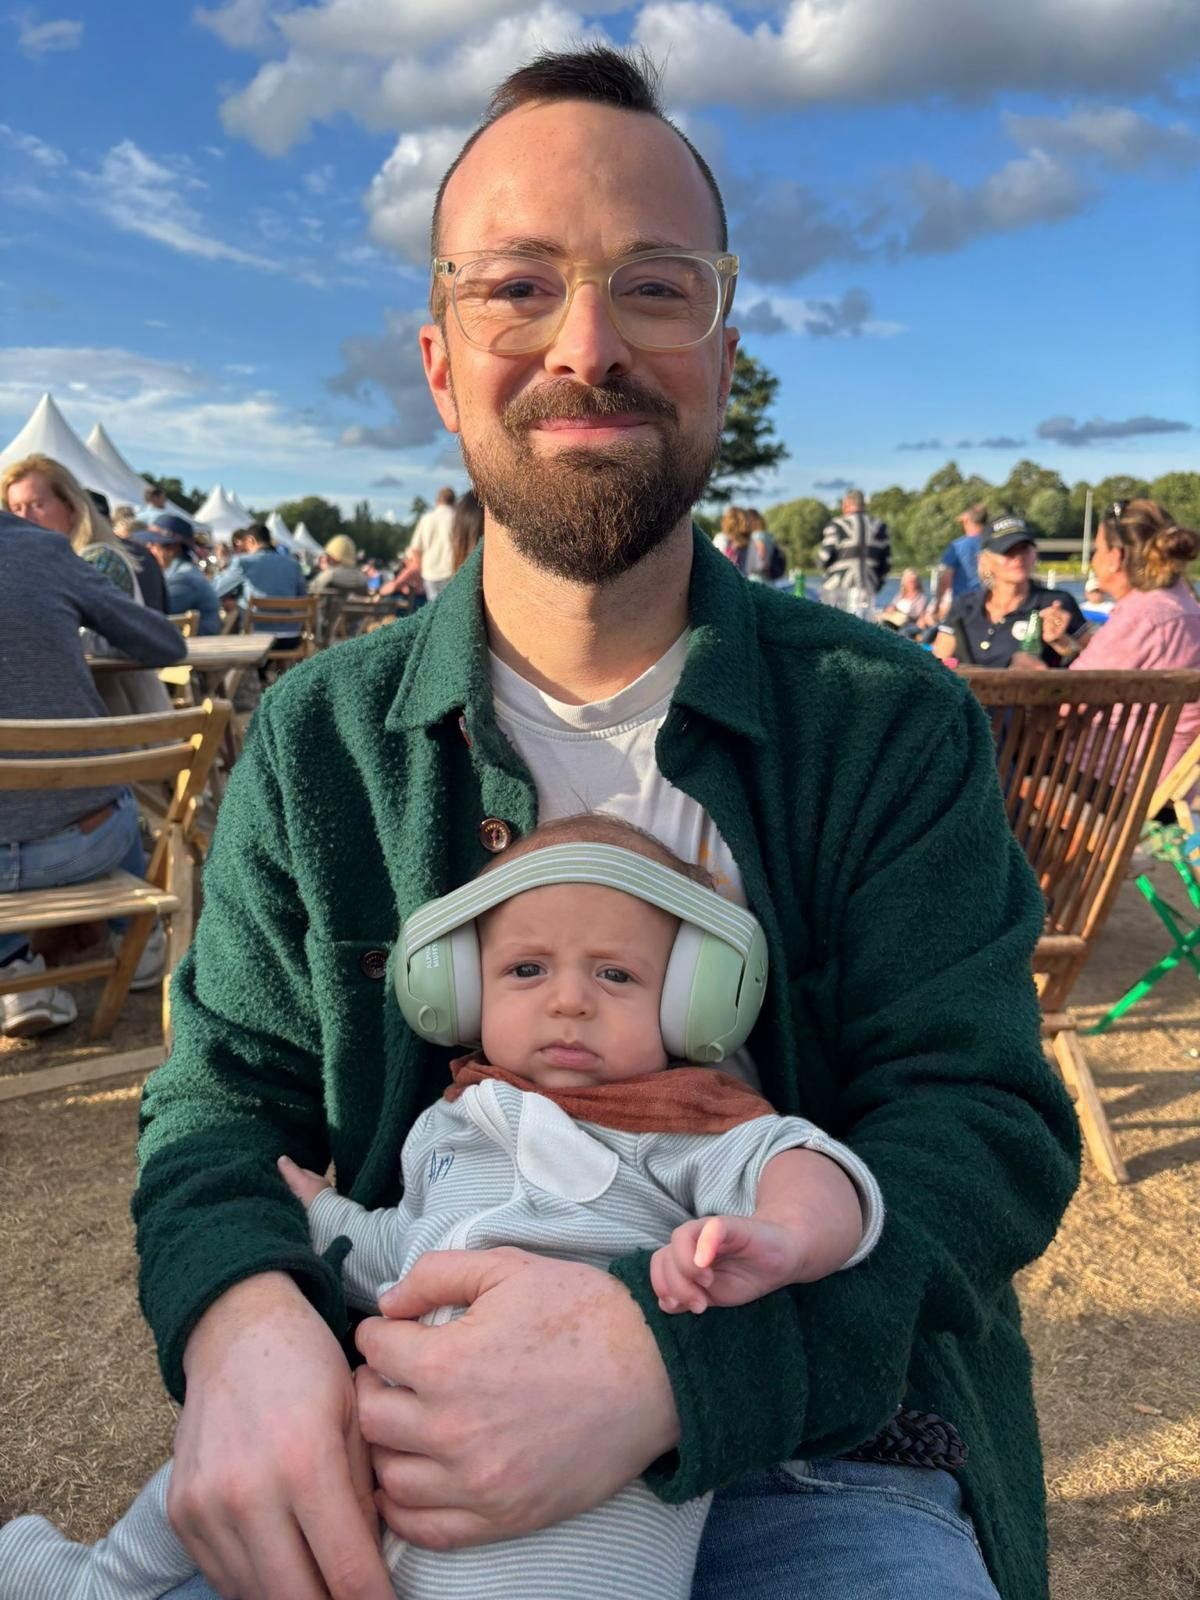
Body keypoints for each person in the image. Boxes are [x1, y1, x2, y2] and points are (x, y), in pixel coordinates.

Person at [129, 46, 1077, 1600]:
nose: (588, 344)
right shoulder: (321, 744)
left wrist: (668, 1372)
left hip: (825, 1443)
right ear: (439, 359)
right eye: (519, 286)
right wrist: (238, 1322)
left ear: (720, 348)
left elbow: (978, 1129)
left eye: (653, 286)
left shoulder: (882, 716)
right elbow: (222, 1106)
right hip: (409, 1425)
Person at [0, 813, 883, 1600]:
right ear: (466, 994)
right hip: (389, 1445)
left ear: (691, 1002)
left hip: (586, 1502)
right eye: (527, 968)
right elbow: (396, 1254)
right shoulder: (451, 1122)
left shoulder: (684, 1121)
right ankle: (96, 1579)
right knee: (227, 1467)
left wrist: (786, 1234)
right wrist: (318, 1213)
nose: (568, 1000)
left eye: (615, 974)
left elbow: (806, 1164)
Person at [0, 510, 185, 1036]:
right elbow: (165, 645)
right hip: (82, 848)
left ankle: (15, 971)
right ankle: (137, 937)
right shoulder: (42, 550)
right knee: (111, 792)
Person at [2, 453, 173, 713]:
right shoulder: (46, 563)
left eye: (36, 504)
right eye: (16, 508)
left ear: (72, 506)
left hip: (124, 719)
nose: (26, 517)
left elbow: (125, 636)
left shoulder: (97, 558)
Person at [1044, 501, 1200, 782]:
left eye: (1097, 550)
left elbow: (1064, 703)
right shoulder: (1186, 607)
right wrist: (1067, 646)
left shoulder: (1143, 615)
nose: (1093, 559)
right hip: (1166, 781)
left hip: (1107, 784)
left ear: (1116, 557)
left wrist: (1035, 676)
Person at [933, 516, 1090, 669]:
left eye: (1024, 550)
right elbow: (936, 665)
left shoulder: (1057, 603)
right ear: (985, 560)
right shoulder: (964, 607)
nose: (1018, 558)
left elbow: (1095, 665)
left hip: (1037, 694)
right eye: (1008, 551)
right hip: (971, 693)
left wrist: (1061, 642)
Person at [134, 515, 221, 636]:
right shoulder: (183, 572)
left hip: (196, 649)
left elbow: (153, 617)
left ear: (172, 548)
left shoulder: (182, 579)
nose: (148, 549)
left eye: (153, 544)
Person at [214, 523, 308, 628]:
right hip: (290, 635)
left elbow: (214, 590)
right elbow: (302, 599)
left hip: (255, 635)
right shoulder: (293, 564)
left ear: (251, 540)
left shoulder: (243, 562)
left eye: (245, 543)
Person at [818, 489, 890, 615]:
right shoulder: (879, 526)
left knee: (834, 628)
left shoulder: (837, 525)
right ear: (863, 505)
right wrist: (876, 585)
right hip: (868, 588)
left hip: (837, 588)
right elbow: (886, 563)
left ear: (846, 504)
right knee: (861, 628)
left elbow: (825, 556)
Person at [390, 488, 459, 601]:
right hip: (451, 571)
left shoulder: (426, 519)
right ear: (453, 501)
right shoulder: (457, 518)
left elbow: (416, 549)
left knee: (434, 608)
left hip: (430, 573)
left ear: (437, 501)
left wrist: (420, 569)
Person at [931, 502, 989, 620]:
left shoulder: (957, 547)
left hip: (964, 605)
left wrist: (937, 605)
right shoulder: (995, 543)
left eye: (963, 522)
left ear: (967, 521)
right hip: (991, 603)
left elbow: (945, 579)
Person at [876, 567, 927, 632]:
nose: (911, 584)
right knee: (881, 623)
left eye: (913, 581)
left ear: (917, 582)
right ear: (904, 582)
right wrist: (891, 608)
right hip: (894, 619)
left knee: (893, 628)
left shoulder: (921, 597)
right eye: (909, 581)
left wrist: (900, 612)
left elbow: (917, 614)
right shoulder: (900, 594)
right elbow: (893, 604)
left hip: (908, 622)